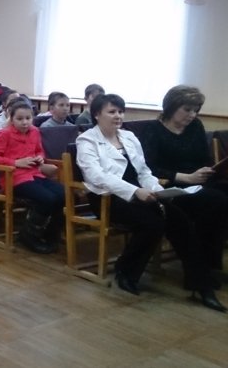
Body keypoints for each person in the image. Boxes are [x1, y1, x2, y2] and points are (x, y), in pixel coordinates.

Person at [76, 94, 226, 311]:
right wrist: (135, 191)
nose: (118, 116)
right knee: (153, 223)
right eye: (112, 112)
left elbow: (144, 171)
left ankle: (200, 285)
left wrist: (158, 191)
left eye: (120, 111)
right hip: (107, 198)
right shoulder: (87, 140)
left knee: (180, 220)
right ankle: (126, 271)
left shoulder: (129, 137)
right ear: (97, 114)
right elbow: (97, 176)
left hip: (141, 192)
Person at [141, 86, 228, 307]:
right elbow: (149, 168)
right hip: (172, 186)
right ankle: (204, 270)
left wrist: (208, 170)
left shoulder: (195, 126)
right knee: (216, 203)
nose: (192, 115)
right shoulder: (152, 130)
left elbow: (204, 158)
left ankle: (207, 267)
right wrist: (186, 177)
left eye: (196, 110)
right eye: (187, 109)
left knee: (220, 200)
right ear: (171, 107)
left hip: (198, 183)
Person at [0, 98, 64, 254]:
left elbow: (39, 151)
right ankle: (28, 235)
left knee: (63, 194)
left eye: (28, 118)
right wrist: (15, 162)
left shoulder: (35, 131)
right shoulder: (5, 134)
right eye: (20, 119)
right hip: (14, 178)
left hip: (35, 173)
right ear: (12, 119)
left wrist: (40, 158)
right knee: (47, 198)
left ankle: (50, 234)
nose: (25, 122)